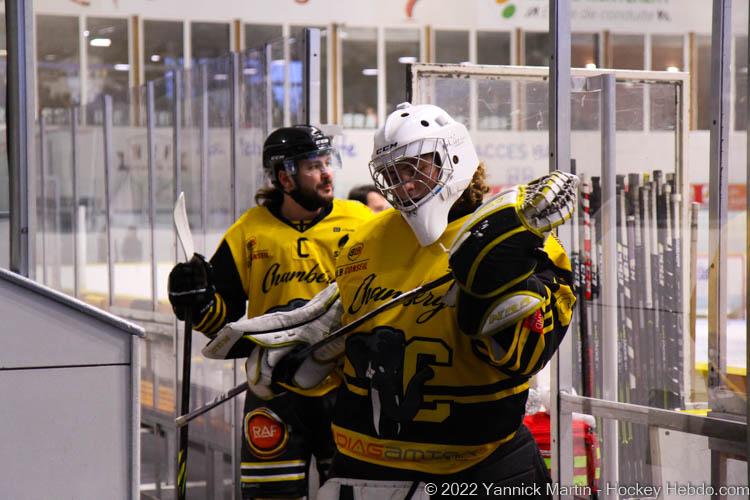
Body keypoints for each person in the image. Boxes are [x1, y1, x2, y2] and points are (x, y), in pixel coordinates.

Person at [209, 103, 578, 499]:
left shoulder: (525, 244)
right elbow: (345, 348)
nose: (405, 186)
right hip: (363, 465)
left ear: (453, 157)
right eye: (393, 175)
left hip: (475, 465)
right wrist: (310, 351)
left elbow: (525, 356)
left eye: (415, 168)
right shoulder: (366, 239)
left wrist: (494, 282)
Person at [167, 125, 373, 499]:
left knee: (354, 492)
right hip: (274, 389)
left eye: (327, 162)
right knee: (270, 494)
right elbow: (223, 320)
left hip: (346, 386)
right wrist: (195, 301)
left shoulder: (361, 222)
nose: (327, 173)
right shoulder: (249, 231)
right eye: (313, 166)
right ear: (285, 177)